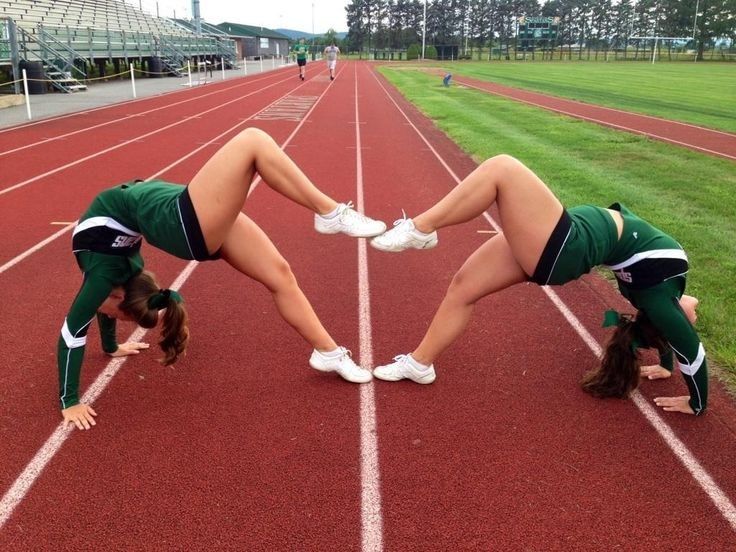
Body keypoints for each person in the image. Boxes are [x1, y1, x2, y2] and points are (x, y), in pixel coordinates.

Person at [59, 127, 387, 430]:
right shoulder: (107, 277)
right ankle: (329, 212)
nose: (98, 311)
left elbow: (90, 316)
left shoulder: (107, 278)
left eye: (113, 314)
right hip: (180, 219)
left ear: (119, 297)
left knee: (281, 276)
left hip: (181, 218)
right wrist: (70, 402)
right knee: (253, 141)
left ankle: (326, 352)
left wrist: (111, 347)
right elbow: (79, 327)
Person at [369, 154, 708, 416]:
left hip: (565, 245)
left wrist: (697, 403)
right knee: (463, 287)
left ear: (669, 323)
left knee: (502, 168)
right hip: (563, 239)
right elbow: (662, 330)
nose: (696, 316)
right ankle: (420, 364)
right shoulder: (660, 294)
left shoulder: (661, 298)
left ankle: (422, 227)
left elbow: (689, 349)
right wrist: (665, 365)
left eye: (686, 323)